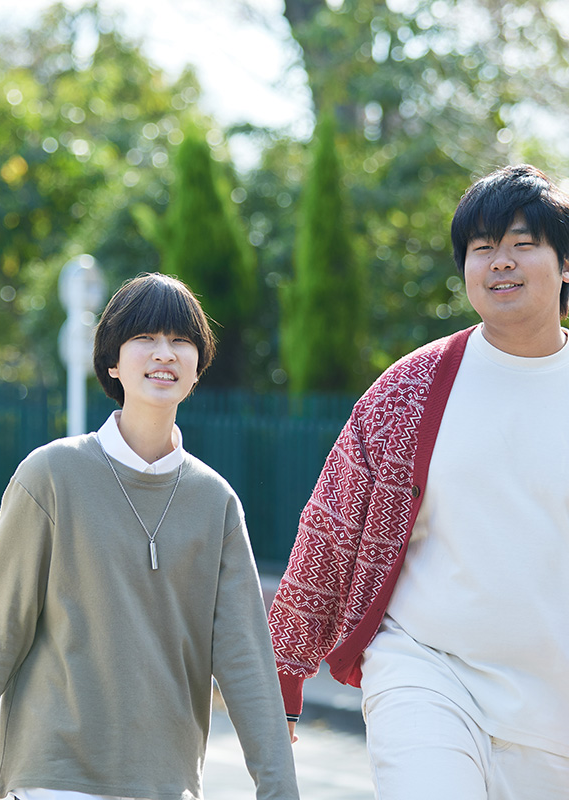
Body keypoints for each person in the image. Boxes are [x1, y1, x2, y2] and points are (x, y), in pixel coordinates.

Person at [0, 273, 299, 800]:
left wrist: (279, 787)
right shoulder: (51, 475)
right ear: (111, 361)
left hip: (166, 784)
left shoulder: (215, 501)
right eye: (145, 338)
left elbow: (245, 657)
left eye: (181, 341)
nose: (164, 353)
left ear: (198, 367)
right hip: (52, 779)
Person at [269, 164, 569, 797]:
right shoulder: (413, 388)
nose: (500, 262)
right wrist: (283, 671)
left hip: (550, 715)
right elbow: (333, 525)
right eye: (482, 248)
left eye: (522, 243)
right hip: (425, 669)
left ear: (564, 264)